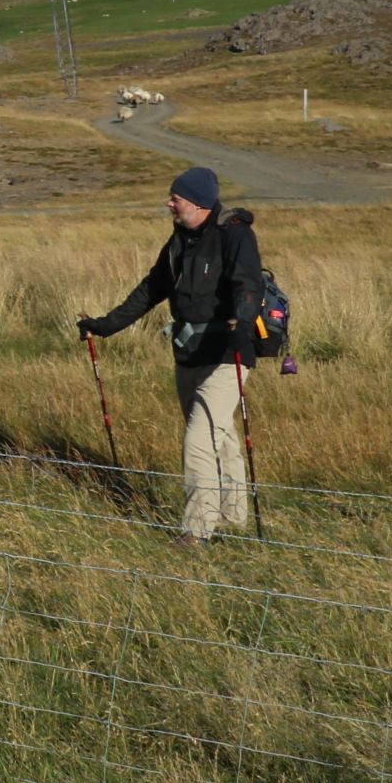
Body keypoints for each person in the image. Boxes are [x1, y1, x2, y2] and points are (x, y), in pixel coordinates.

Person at [78, 166, 262, 546]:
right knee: (221, 436)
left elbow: (249, 283)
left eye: (175, 198)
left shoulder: (235, 234)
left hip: (228, 353)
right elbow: (151, 290)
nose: (169, 204)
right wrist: (106, 325)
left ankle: (197, 531)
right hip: (189, 354)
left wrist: (243, 322)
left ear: (197, 202)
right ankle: (232, 518)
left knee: (199, 440)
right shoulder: (180, 240)